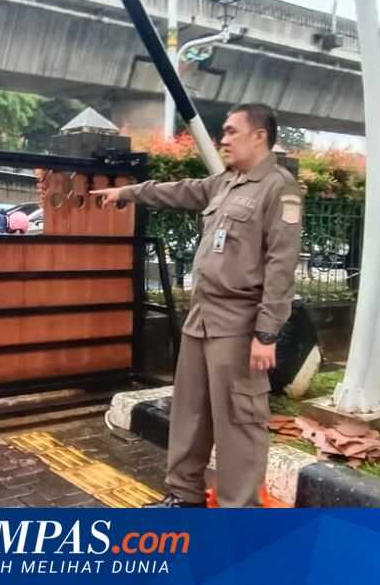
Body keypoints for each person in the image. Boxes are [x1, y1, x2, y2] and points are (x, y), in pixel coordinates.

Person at [91, 103, 303, 508]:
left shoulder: (279, 188)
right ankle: (184, 496)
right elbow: (180, 190)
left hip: (239, 325)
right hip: (201, 318)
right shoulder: (225, 182)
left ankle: (236, 516)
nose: (223, 139)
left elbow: (282, 265)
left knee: (239, 423)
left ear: (259, 135)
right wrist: (126, 193)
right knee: (189, 414)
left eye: (231, 131)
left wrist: (267, 332)